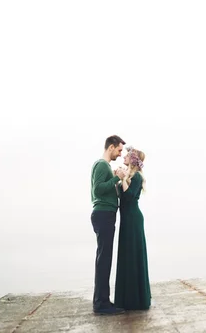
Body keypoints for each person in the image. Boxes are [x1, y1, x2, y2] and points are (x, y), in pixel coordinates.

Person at [90, 135, 126, 315]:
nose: (120, 154)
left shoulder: (105, 167)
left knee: (104, 259)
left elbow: (104, 189)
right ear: (111, 147)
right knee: (104, 260)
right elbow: (97, 189)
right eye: (119, 150)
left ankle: (103, 300)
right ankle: (100, 304)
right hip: (103, 214)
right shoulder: (102, 164)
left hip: (105, 214)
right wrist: (116, 178)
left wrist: (115, 180)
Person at [114, 147, 151, 310]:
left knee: (133, 256)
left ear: (133, 159)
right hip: (126, 220)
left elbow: (128, 197)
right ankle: (127, 298)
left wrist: (122, 180)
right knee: (127, 256)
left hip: (133, 220)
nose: (124, 157)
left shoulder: (137, 176)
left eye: (127, 155)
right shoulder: (129, 176)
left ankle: (137, 300)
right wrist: (118, 178)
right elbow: (121, 197)